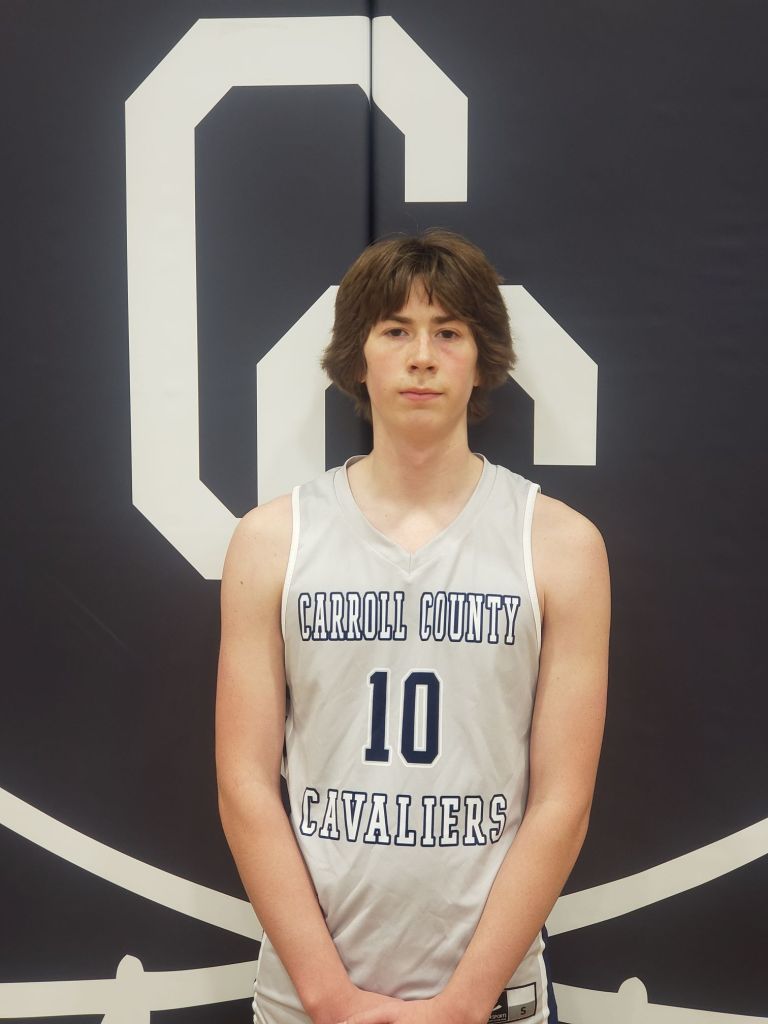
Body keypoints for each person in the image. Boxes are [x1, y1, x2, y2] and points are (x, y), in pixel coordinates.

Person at [215, 230, 610, 1024]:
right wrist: (329, 999)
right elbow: (245, 783)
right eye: (396, 330)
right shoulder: (272, 540)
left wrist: (462, 1005)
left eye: (448, 332)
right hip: (305, 1002)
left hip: (493, 1003)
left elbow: (562, 802)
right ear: (357, 357)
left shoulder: (561, 546)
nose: (422, 357)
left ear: (482, 356)